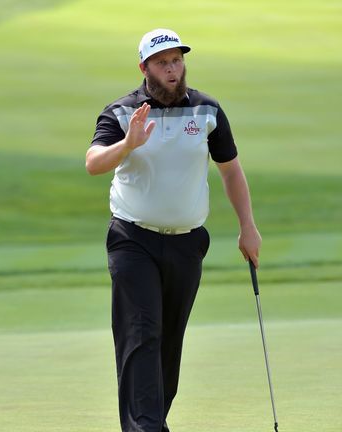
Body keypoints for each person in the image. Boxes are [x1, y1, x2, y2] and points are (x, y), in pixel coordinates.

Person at [85, 28, 262, 432]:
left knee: (168, 340)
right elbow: (94, 163)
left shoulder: (207, 110)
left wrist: (247, 228)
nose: (172, 68)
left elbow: (231, 171)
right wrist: (127, 144)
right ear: (143, 67)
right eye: (163, 62)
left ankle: (151, 421)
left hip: (187, 244)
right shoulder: (123, 112)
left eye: (177, 60)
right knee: (142, 333)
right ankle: (146, 427)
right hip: (133, 240)